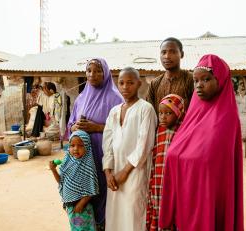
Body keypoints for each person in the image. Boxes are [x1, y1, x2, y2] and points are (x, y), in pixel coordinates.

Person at [159, 54, 244, 231]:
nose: (199, 85)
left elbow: (210, 162)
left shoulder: (226, 118)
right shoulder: (193, 115)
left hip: (208, 200)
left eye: (206, 79)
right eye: (196, 80)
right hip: (186, 201)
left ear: (220, 80)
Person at [67, 58, 124, 230]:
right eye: (89, 70)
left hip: (103, 154)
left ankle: (104, 224)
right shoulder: (81, 97)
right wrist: (74, 127)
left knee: (103, 191)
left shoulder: (115, 98)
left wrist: (97, 127)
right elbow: (70, 124)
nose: (92, 74)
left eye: (98, 70)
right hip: (83, 157)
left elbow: (123, 128)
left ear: (105, 73)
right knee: (85, 192)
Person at [102, 67, 157, 231]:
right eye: (121, 83)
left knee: (133, 214)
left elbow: (144, 144)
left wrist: (124, 172)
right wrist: (108, 172)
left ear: (139, 84)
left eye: (130, 83)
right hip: (114, 174)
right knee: (114, 215)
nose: (125, 87)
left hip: (135, 172)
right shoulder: (114, 111)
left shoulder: (145, 109)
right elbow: (107, 142)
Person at [146, 94, 185, 231]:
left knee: (173, 209)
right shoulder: (158, 130)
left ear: (179, 113)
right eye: (161, 113)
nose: (163, 117)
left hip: (174, 181)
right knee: (159, 207)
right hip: (158, 180)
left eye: (168, 113)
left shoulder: (183, 131)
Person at [49, 130, 99, 231]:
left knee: (83, 228)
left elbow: (91, 190)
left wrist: (81, 204)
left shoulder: (87, 167)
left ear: (87, 147)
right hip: (70, 205)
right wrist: (53, 170)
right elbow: (61, 182)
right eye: (72, 145)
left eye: (80, 145)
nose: (76, 149)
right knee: (75, 228)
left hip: (81, 207)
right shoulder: (68, 163)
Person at [146, 37, 194, 115]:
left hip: (187, 127)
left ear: (181, 54)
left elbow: (197, 110)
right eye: (163, 52)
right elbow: (150, 114)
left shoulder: (191, 79)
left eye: (173, 52)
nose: (167, 56)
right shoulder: (154, 84)